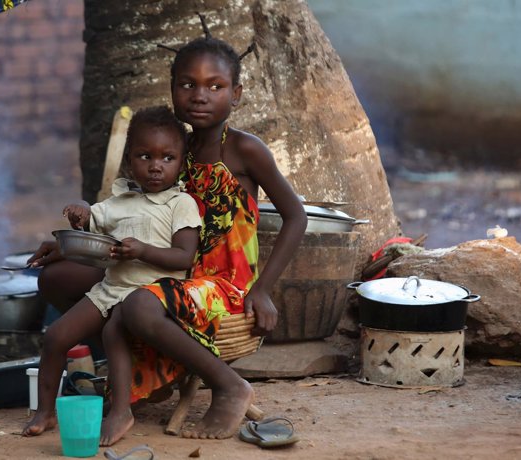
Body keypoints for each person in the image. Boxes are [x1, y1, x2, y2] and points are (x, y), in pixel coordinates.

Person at [25, 18, 307, 445]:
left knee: (135, 306)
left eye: (215, 86)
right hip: (163, 270)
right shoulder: (172, 148)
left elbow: (296, 216)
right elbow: (139, 219)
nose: (200, 96)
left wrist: (263, 289)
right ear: (172, 89)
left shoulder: (245, 149)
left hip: (218, 283)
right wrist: (71, 247)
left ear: (238, 94)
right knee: (56, 278)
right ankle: (131, 371)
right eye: (187, 84)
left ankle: (228, 384)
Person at [22, 105, 202, 439]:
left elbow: (184, 257)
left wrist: (144, 251)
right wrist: (79, 214)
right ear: (129, 160)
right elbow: (91, 230)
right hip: (110, 289)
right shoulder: (119, 202)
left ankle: (121, 413)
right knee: (56, 336)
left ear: (181, 160)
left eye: (167, 158)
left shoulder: (181, 204)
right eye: (145, 156)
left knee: (113, 333)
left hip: (153, 297)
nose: (156, 167)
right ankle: (45, 412)